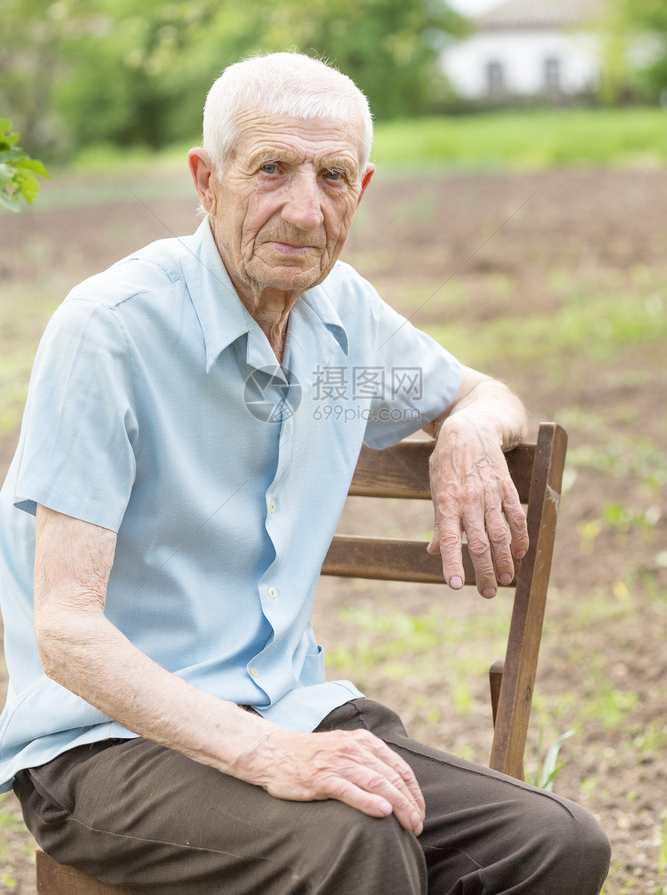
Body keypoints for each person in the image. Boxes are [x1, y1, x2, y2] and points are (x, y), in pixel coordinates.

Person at [0, 52, 609, 895]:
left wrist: (468, 427)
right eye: (271, 171)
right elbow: (66, 633)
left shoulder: (341, 320)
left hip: (290, 705)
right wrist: (266, 754)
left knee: (552, 842)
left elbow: (479, 391)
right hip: (105, 746)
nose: (302, 209)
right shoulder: (111, 333)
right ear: (206, 181)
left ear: (360, 190)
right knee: (356, 842)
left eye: (330, 177)